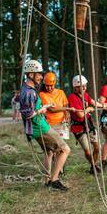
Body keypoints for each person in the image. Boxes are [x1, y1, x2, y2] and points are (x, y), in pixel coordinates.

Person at [20, 60, 71, 191]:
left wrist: (45, 106)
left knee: (49, 152)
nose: (41, 77)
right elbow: (27, 114)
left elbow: (32, 108)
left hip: (39, 127)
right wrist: (41, 111)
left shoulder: (29, 89)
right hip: (40, 128)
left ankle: (47, 180)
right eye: (39, 74)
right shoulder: (28, 92)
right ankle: (54, 180)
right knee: (65, 149)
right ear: (31, 74)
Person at [67, 75, 107, 174]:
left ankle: (93, 166)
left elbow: (93, 102)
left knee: (97, 147)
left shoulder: (85, 95)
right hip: (78, 127)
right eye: (81, 86)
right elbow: (80, 115)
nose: (83, 88)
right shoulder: (72, 98)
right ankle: (94, 166)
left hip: (89, 125)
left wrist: (104, 106)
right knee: (87, 151)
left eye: (84, 86)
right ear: (75, 87)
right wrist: (89, 109)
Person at [39, 72, 72, 140]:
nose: (49, 88)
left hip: (62, 124)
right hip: (50, 125)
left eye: (51, 85)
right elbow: (51, 109)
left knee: (61, 147)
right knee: (53, 147)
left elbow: (66, 105)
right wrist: (66, 108)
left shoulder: (61, 92)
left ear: (55, 84)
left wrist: (67, 115)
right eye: (47, 85)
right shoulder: (42, 94)